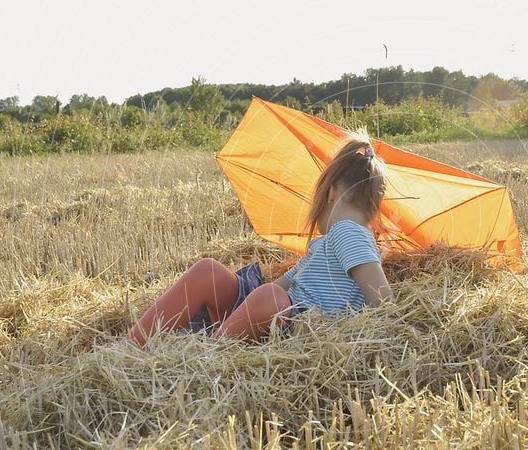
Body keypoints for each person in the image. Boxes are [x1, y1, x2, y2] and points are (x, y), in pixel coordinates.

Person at [126, 134, 394, 346]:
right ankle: (132, 346)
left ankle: (207, 359)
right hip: (268, 315)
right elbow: (285, 283)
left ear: (331, 193)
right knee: (210, 272)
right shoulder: (328, 242)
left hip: (300, 327)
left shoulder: (349, 232)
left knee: (271, 297)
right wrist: (244, 305)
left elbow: (384, 302)